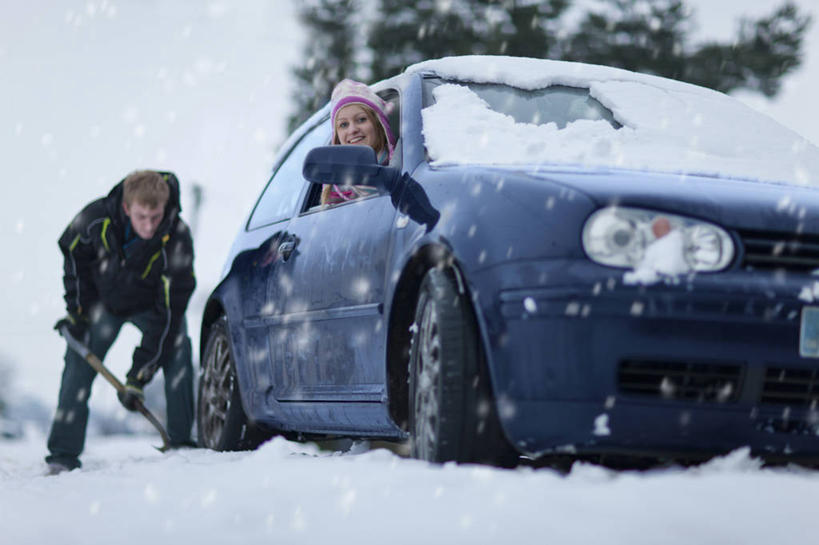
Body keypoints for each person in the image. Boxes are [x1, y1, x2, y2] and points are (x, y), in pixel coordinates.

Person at [46, 170, 196, 473]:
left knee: (178, 344)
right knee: (79, 358)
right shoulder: (93, 220)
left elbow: (171, 313)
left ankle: (181, 443)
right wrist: (77, 313)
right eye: (142, 216)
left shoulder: (176, 237)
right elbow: (73, 258)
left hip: (152, 306)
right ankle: (63, 455)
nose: (150, 225)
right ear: (127, 209)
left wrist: (137, 378)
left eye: (156, 216)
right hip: (105, 303)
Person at [321, 78, 397, 206]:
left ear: (379, 123)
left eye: (361, 119)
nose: (353, 130)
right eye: (344, 124)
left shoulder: (404, 164)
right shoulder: (335, 189)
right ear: (337, 137)